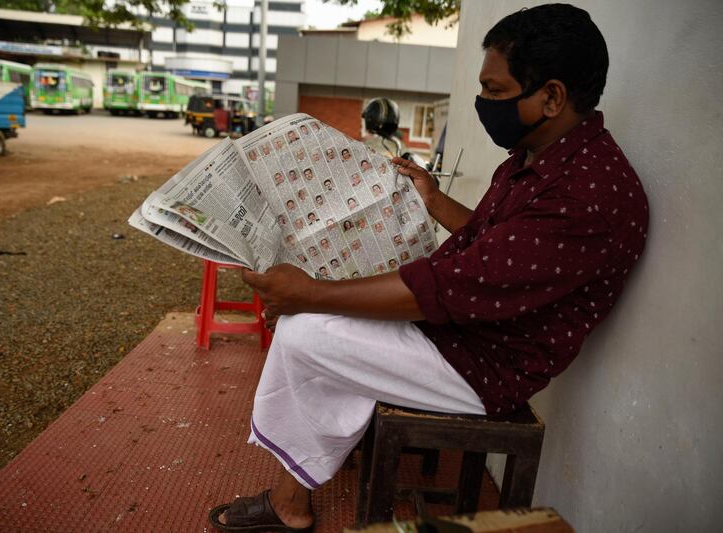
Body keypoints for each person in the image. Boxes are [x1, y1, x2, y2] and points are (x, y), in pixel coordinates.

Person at [210, 5, 649, 531]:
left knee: (308, 332)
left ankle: (290, 503)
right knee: (333, 323)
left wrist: (309, 293)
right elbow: (498, 246)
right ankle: (290, 499)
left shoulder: (588, 193)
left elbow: (450, 287)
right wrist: (434, 200)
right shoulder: (538, 156)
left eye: (494, 90)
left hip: (486, 364)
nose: (482, 103)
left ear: (551, 96)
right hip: (463, 329)